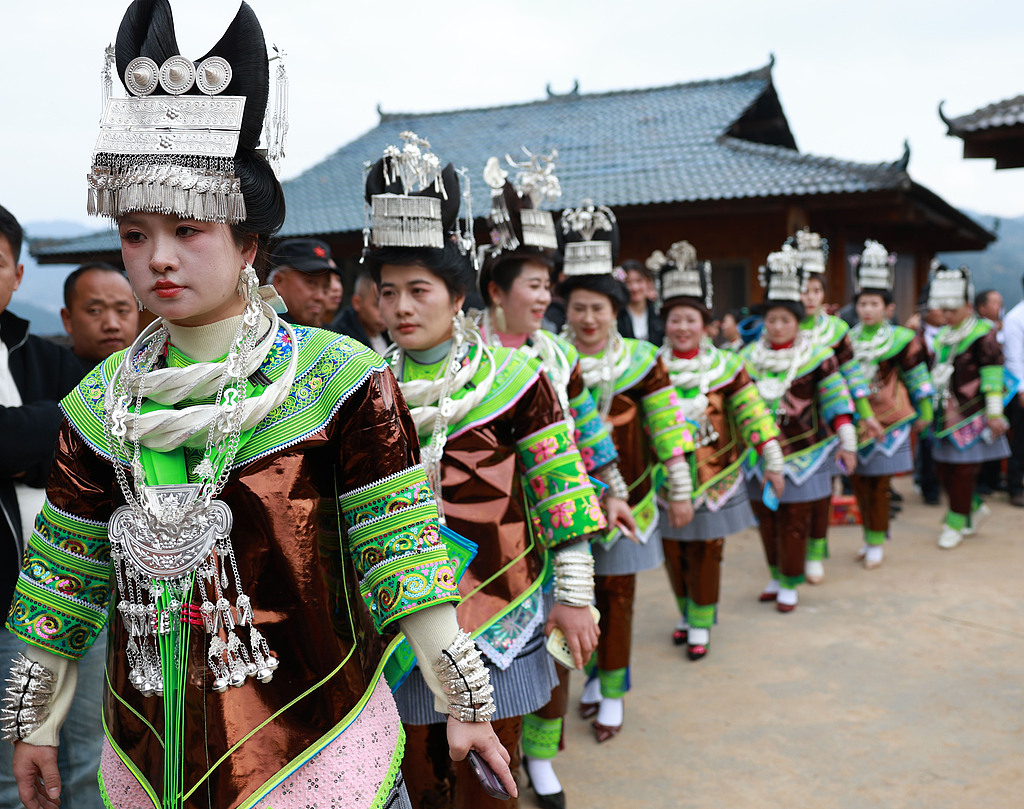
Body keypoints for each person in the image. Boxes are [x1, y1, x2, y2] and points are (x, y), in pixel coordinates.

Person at [5, 6, 515, 809]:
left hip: (316, 741)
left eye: (187, 228)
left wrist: (465, 703)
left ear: (248, 245)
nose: (159, 258)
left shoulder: (337, 379)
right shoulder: (97, 405)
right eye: (134, 235)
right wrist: (34, 720)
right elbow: (61, 582)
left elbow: (405, 558)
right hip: (149, 751)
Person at [365, 134, 603, 809]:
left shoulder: (518, 378)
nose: (403, 307)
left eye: (419, 289)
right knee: (415, 776)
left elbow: (560, 486)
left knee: (492, 784)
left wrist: (575, 593)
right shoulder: (361, 388)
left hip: (502, 606)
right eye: (389, 292)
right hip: (401, 618)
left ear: (458, 295)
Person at [476, 152, 634, 809]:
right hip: (491, 536)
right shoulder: (467, 358)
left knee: (561, 646)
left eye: (549, 285)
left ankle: (541, 757)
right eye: (533, 285)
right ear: (495, 291)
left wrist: (616, 486)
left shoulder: (557, 353)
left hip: (561, 518)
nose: (546, 298)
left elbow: (591, 430)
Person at [557, 201, 695, 742]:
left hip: (631, 497)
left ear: (616, 311)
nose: (588, 319)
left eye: (598, 308)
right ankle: (587, 679)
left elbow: (666, 427)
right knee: (575, 600)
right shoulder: (549, 360)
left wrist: (679, 489)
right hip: (567, 502)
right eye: (578, 308)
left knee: (619, 596)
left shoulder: (642, 359)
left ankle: (612, 689)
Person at [0, 205, 99, 809]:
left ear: (17, 275)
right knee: (12, 775)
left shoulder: (48, 358)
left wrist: (22, 441)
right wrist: (39, 434)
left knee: (85, 755)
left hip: (69, 588)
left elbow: (86, 440)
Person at [652, 242, 782, 659]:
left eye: (691, 319)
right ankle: (686, 611)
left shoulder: (727, 367)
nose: (683, 327)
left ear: (705, 324)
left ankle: (701, 622)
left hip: (716, 476)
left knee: (707, 550)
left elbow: (752, 411)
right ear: (665, 324)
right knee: (673, 551)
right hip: (664, 479)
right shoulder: (648, 370)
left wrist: (772, 455)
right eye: (675, 319)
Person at [741, 245, 857, 613]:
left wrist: (848, 441)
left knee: (794, 519)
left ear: (797, 322)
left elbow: (837, 401)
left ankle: (791, 581)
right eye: (771, 320)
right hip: (758, 453)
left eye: (785, 320)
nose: (777, 326)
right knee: (766, 517)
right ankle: (775, 575)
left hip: (805, 451)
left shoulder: (818, 357)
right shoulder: (744, 361)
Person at [792, 229, 881, 584]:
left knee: (821, 491)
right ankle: (789, 557)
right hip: (791, 424)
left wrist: (866, 416)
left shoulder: (838, 330)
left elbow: (854, 377)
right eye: (803, 289)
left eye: (816, 291)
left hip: (831, 419)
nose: (809, 297)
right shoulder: (780, 328)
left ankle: (815, 550)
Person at [846, 241, 934, 570]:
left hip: (892, 417)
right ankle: (869, 534)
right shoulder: (847, 340)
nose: (867, 309)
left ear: (887, 307)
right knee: (858, 483)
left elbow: (917, 375)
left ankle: (876, 539)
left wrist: (925, 413)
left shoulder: (900, 338)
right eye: (863, 303)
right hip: (856, 419)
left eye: (874, 303)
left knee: (880, 484)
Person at [927, 264, 1010, 549]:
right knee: (943, 468)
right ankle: (971, 508)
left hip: (972, 412)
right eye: (943, 310)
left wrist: (995, 412)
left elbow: (992, 374)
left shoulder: (983, 334)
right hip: (943, 412)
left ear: (966, 305)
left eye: (952, 310)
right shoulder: (942, 336)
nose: (946, 315)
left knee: (963, 470)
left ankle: (954, 522)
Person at [60, 262, 138, 372]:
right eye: (95, 310)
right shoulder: (49, 377)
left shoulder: (156, 372)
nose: (112, 325)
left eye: (122, 311)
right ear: (67, 319)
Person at [269, 237, 339, 326]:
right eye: (311, 283)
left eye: (325, 287)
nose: (320, 297)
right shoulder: (262, 333)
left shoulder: (329, 336)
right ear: (279, 281)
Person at [1000, 274, 1024, 507]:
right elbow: (1013, 358)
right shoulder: (1016, 318)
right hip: (1021, 390)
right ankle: (1015, 487)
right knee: (1020, 441)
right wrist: (1022, 390)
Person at [329, 269, 390, 353]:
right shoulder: (341, 341)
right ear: (357, 303)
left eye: (388, 305)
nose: (384, 313)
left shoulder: (392, 335)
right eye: (377, 306)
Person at [616, 259, 664, 346]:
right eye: (628, 282)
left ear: (648, 282)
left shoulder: (658, 312)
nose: (634, 287)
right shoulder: (617, 314)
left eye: (639, 281)